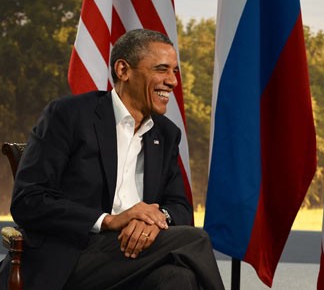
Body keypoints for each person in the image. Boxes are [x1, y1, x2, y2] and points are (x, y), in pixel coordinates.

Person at [0, 29, 225, 290]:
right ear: (123, 70)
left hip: (132, 255)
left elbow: (180, 207)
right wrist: (107, 220)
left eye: (174, 71)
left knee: (178, 278)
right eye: (162, 69)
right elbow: (28, 200)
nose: (173, 81)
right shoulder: (69, 116)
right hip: (71, 257)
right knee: (195, 240)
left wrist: (154, 220)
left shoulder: (165, 134)